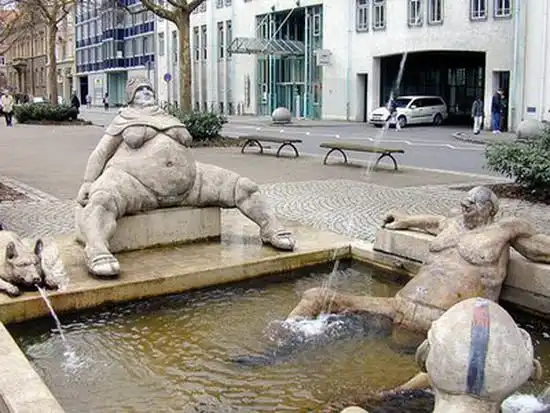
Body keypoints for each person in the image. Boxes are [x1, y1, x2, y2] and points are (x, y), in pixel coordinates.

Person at [285, 186, 550, 391]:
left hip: (447, 320)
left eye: (474, 202)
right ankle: (279, 349)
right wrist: (405, 220)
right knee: (316, 297)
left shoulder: (505, 230)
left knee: (451, 365)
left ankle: (387, 398)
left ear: (491, 209)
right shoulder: (453, 222)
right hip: (398, 305)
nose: (466, 205)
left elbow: (538, 249)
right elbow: (434, 221)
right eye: (465, 201)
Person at [76, 76, 295, 278]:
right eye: (140, 90)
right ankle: (96, 248)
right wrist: (88, 182)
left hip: (191, 183)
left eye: (148, 89)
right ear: (130, 96)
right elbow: (101, 152)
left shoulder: (168, 118)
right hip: (134, 182)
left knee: (244, 187)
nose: (146, 93)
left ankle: (271, 227)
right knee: (103, 200)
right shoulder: (123, 119)